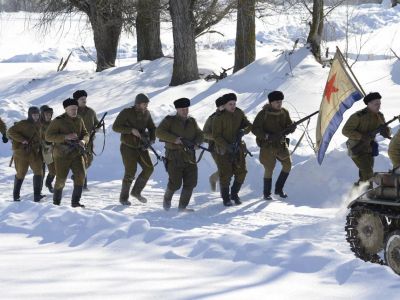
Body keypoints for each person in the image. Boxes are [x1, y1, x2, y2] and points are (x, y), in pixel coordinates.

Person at [156, 98, 204, 212]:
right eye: (182, 109)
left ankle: (182, 207)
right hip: (174, 157)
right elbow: (159, 132)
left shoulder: (192, 121)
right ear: (177, 109)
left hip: (190, 157)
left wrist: (197, 142)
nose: (185, 111)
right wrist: (174, 139)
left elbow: (200, 134)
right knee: (175, 183)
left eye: (186, 108)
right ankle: (167, 200)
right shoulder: (170, 120)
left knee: (191, 182)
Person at [112, 93, 156, 205]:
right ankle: (123, 198)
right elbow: (115, 127)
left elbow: (152, 127)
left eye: (147, 103)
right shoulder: (126, 112)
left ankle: (136, 192)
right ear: (137, 103)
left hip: (141, 146)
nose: (146, 105)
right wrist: (130, 130)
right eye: (144, 103)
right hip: (128, 147)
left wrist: (151, 139)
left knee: (149, 168)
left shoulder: (147, 113)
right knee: (130, 172)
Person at [251, 91, 296, 200]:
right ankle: (267, 193)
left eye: (280, 101)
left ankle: (278, 189)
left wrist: (292, 127)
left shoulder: (284, 112)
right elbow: (255, 129)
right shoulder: (263, 114)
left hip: (281, 144)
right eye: (276, 102)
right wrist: (266, 136)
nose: (279, 104)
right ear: (271, 102)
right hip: (267, 146)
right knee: (269, 168)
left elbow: (287, 125)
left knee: (288, 165)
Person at [46, 98, 89, 207]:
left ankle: (75, 202)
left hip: (76, 153)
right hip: (61, 155)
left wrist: (84, 140)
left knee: (81, 176)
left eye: (75, 109)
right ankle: (56, 203)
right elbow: (48, 137)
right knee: (61, 179)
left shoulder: (79, 119)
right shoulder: (58, 121)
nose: (74, 111)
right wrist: (65, 137)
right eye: (71, 109)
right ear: (66, 109)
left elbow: (85, 133)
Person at [212, 93, 252, 206]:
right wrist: (227, 146)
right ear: (224, 105)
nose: (233, 106)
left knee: (242, 172)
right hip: (223, 150)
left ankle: (234, 194)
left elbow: (249, 125)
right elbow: (216, 136)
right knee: (226, 174)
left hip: (238, 148)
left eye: (234, 103)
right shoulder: (219, 118)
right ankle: (226, 198)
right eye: (230, 104)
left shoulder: (239, 113)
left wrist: (243, 131)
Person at [342, 92, 390, 185]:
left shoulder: (379, 116)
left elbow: (386, 131)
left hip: (369, 149)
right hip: (357, 148)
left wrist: (386, 131)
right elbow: (345, 131)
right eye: (376, 104)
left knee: (365, 176)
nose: (379, 106)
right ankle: (369, 195)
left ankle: (356, 194)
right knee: (368, 173)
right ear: (369, 104)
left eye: (379, 104)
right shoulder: (358, 116)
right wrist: (362, 136)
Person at [7, 107, 44, 202]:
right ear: (30, 115)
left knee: (39, 172)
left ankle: (37, 195)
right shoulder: (23, 124)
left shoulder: (40, 124)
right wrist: (22, 139)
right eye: (34, 115)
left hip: (35, 153)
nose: (36, 117)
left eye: (37, 115)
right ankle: (16, 196)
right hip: (22, 154)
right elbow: (10, 131)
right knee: (21, 173)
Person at [73, 89, 99, 190]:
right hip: (76, 142)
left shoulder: (91, 111)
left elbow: (96, 123)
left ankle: (77, 176)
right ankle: (83, 184)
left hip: (89, 141)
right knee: (81, 161)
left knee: (88, 161)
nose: (84, 100)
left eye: (85, 98)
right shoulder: (72, 111)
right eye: (82, 99)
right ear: (76, 100)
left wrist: (97, 128)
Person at [203, 96, 226, 192]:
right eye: (222, 106)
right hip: (216, 149)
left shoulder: (233, 116)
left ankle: (213, 178)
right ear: (218, 107)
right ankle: (224, 193)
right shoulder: (212, 119)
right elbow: (204, 134)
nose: (224, 108)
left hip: (229, 147)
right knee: (224, 169)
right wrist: (215, 137)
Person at [39, 105, 56, 193]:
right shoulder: (38, 125)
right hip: (40, 151)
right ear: (42, 114)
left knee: (54, 170)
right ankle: (39, 190)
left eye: (50, 114)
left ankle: (48, 183)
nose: (48, 115)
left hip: (51, 150)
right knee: (40, 172)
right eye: (46, 114)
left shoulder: (54, 123)